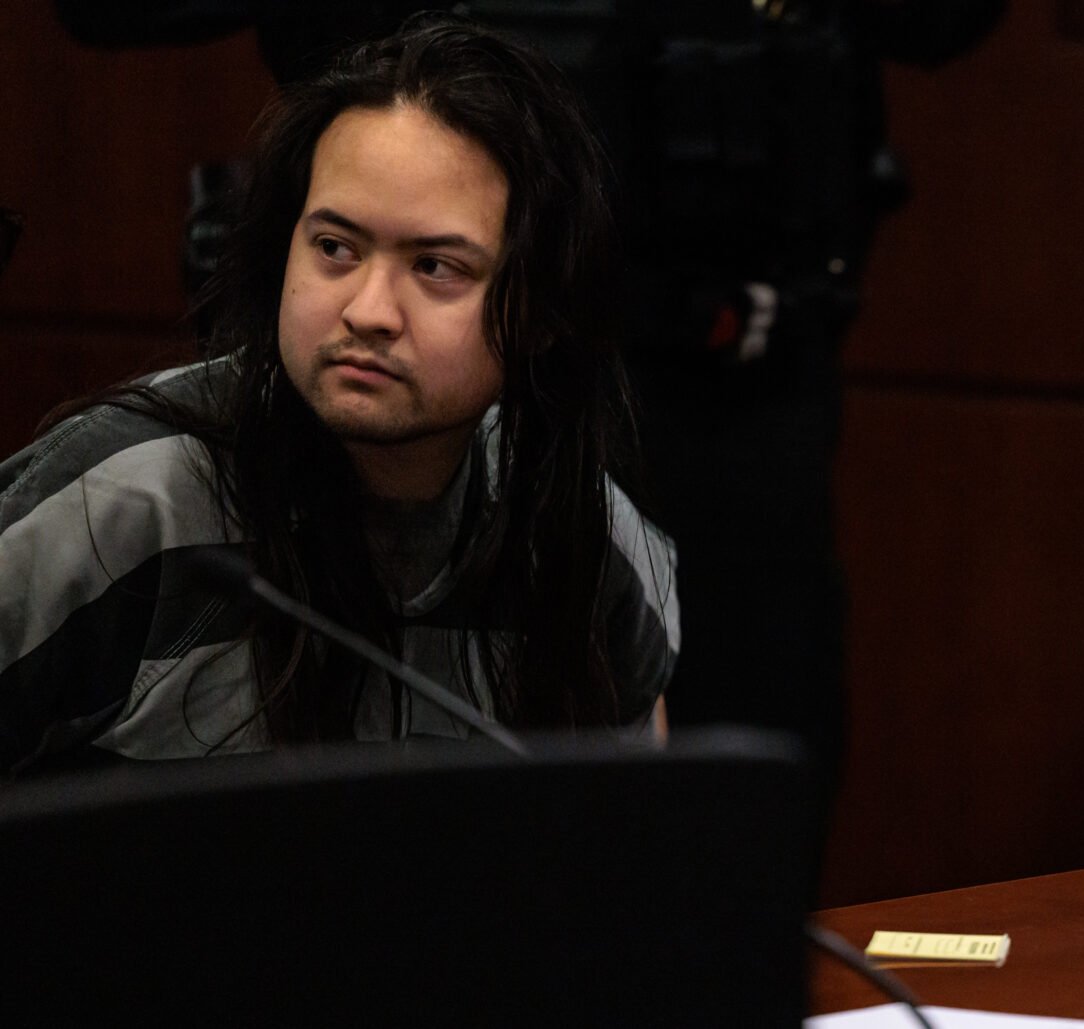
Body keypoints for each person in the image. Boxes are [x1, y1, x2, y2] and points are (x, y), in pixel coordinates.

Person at [0, 17, 678, 774]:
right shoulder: (127, 504)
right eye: (334, 248)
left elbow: (629, 862)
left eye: (435, 268)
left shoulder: (584, 543)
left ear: (542, 315)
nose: (367, 311)